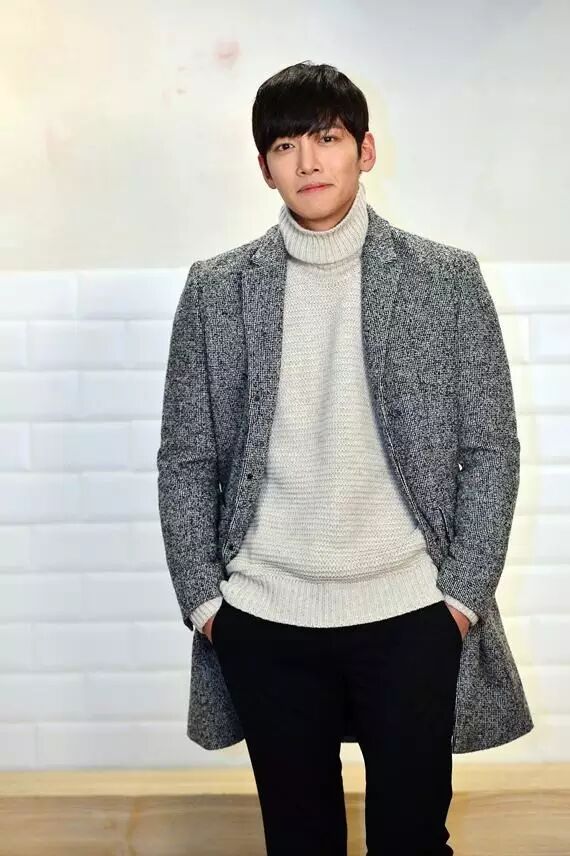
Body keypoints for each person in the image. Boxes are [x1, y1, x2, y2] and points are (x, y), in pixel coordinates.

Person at [157, 60, 533, 856]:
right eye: (284, 146)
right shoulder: (216, 290)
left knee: (411, 840)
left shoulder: (445, 279)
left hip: (411, 614)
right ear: (264, 167)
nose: (307, 161)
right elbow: (185, 457)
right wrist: (207, 605)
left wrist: (461, 600)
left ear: (365, 150)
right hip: (264, 618)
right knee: (300, 843)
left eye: (326, 139)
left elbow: (490, 448)